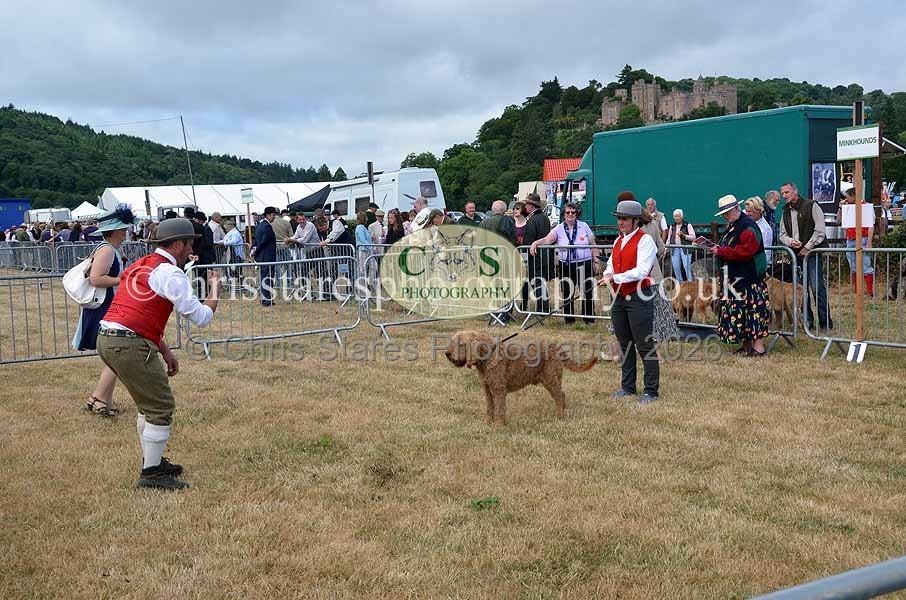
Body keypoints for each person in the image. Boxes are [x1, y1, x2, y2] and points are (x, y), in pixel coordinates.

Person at [97, 217, 221, 490]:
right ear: (178, 244)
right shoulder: (169, 272)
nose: (191, 249)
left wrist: (164, 350)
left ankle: (152, 462)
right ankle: (151, 473)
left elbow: (140, 313)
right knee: (160, 406)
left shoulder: (140, 265)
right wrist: (214, 290)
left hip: (110, 338)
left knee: (147, 403)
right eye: (189, 243)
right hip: (129, 343)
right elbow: (200, 317)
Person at [598, 192, 659, 403]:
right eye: (618, 218)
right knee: (624, 343)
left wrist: (614, 277)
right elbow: (611, 265)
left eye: (624, 218)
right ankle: (627, 386)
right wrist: (607, 274)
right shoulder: (618, 241)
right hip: (619, 297)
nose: (620, 222)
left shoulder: (646, 241)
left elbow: (642, 271)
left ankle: (651, 390)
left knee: (644, 344)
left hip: (639, 296)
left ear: (635, 220)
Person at [74, 205, 135, 417]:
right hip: (105, 308)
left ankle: (104, 401)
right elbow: (96, 279)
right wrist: (125, 279)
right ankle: (98, 399)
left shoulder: (109, 249)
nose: (127, 231)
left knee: (114, 354)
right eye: (124, 228)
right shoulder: (107, 250)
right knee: (117, 354)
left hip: (108, 307)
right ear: (116, 230)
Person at [710, 195, 770, 356]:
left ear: (735, 209)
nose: (724, 216)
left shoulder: (747, 227)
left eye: (726, 213)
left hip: (749, 280)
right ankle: (747, 345)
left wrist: (721, 251)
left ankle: (758, 348)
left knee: (753, 313)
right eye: (723, 214)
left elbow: (746, 251)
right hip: (736, 279)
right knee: (741, 314)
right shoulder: (735, 226)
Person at [530, 202, 599, 325]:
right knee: (567, 292)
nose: (570, 214)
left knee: (587, 290)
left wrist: (596, 261)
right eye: (568, 212)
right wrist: (536, 242)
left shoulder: (584, 226)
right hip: (566, 265)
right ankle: (569, 319)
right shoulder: (559, 228)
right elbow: (547, 240)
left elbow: (593, 244)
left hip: (585, 262)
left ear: (577, 214)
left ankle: (589, 318)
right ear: (564, 214)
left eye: (573, 212)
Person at [778, 181, 833, 330]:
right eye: (783, 193)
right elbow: (782, 234)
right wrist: (791, 242)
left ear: (795, 192)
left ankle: (825, 322)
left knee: (817, 288)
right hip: (795, 255)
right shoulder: (785, 211)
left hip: (812, 254)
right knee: (801, 291)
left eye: (786, 192)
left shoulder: (811, 205)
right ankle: (808, 322)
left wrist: (807, 247)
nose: (784, 196)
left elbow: (820, 230)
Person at [640, 208, 679, 345]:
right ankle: (666, 334)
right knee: (660, 307)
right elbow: (661, 248)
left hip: (641, 275)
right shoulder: (652, 225)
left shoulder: (634, 230)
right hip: (654, 272)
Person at [481, 200, 518, 323]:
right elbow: (514, 239)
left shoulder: (484, 223)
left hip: (490, 260)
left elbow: (479, 242)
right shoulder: (510, 222)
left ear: (492, 210)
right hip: (507, 258)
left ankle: (496, 311)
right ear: (504, 210)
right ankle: (507, 312)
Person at [837, 187, 874, 296]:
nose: (846, 199)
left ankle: (869, 290)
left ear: (853, 196)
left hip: (863, 238)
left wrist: (869, 242)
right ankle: (857, 289)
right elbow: (838, 221)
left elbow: (871, 225)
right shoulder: (847, 207)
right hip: (850, 239)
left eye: (848, 197)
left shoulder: (866, 207)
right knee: (853, 264)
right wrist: (840, 208)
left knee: (865, 264)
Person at [521, 193, 553, 313]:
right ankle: (544, 307)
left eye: (526, 204)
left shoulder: (532, 220)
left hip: (535, 256)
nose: (525, 207)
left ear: (531, 206)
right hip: (545, 255)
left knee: (537, 282)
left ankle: (542, 308)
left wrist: (524, 250)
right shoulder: (545, 218)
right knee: (541, 282)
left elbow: (529, 240)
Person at [251, 206, 278, 306]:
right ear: (269, 215)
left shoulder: (260, 225)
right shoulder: (266, 226)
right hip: (267, 256)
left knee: (265, 277)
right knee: (267, 278)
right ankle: (266, 299)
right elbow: (263, 241)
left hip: (263, 256)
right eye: (273, 215)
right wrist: (256, 250)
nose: (274, 217)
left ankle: (266, 298)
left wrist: (255, 250)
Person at [666, 209, 696, 281]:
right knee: (676, 266)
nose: (677, 218)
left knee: (687, 266)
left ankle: (690, 282)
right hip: (675, 248)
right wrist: (666, 248)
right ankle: (680, 283)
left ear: (682, 217)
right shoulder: (672, 226)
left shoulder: (687, 225)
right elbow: (669, 239)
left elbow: (693, 237)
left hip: (685, 248)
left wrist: (684, 236)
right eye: (675, 216)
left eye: (678, 216)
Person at [744, 197, 773, 263]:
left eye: (749, 211)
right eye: (746, 211)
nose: (747, 214)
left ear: (758, 211)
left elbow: (766, 253)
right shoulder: (746, 220)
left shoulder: (765, 230)